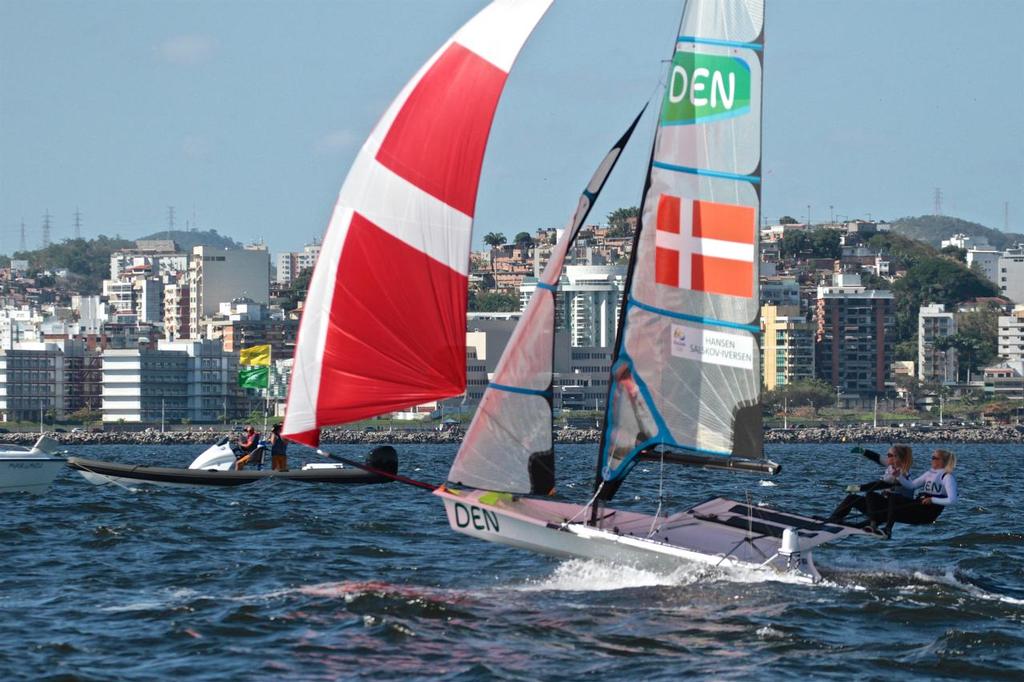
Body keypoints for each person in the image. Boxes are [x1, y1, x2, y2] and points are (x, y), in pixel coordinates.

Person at [826, 445, 913, 531]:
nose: (886, 457)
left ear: (897, 458)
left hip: (893, 511)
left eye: (889, 455)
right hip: (883, 507)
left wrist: (858, 488)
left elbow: (881, 484)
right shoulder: (891, 465)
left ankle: (873, 524)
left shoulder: (901, 472)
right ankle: (833, 519)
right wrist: (863, 451)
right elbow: (877, 458)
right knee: (851, 498)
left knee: (870, 494)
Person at [885, 448, 958, 529]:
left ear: (943, 461)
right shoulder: (929, 474)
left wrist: (932, 500)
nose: (932, 460)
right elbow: (911, 485)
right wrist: (899, 476)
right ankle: (874, 523)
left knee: (894, 499)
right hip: (920, 506)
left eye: (934, 458)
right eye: (932, 458)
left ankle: (887, 529)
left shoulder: (947, 477)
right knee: (891, 497)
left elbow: (952, 500)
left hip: (928, 514)